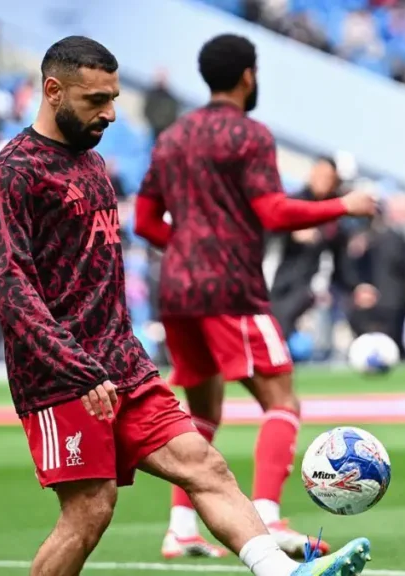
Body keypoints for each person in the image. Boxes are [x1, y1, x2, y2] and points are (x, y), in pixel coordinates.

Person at [0, 35, 371, 576]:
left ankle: (286, 574)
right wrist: (75, 366)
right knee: (89, 511)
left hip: (124, 364)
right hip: (61, 377)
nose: (112, 113)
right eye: (97, 100)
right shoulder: (13, 173)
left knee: (205, 464)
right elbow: (10, 285)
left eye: (114, 97)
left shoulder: (93, 164)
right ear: (53, 91)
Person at [133, 33, 377, 560]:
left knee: (200, 412)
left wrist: (189, 249)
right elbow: (273, 212)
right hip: (231, 288)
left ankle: (181, 527)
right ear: (248, 75)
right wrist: (344, 205)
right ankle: (266, 515)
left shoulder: (172, 136)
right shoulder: (249, 134)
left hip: (176, 290)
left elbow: (145, 220)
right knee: (281, 400)